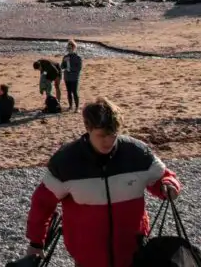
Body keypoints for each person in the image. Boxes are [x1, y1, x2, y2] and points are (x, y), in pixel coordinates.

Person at [23, 98, 182, 267]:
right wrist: (36, 244)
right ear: (88, 128)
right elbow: (42, 203)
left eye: (112, 135)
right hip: (88, 257)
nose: (108, 141)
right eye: (101, 135)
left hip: (133, 254)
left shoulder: (137, 154)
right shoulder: (67, 162)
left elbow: (162, 177)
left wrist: (169, 185)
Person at [61, 40, 84, 111]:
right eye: (67, 48)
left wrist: (70, 68)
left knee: (75, 92)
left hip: (74, 78)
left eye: (70, 48)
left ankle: (77, 108)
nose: (68, 50)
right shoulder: (65, 56)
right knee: (68, 92)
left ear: (74, 48)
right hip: (67, 77)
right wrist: (65, 61)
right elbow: (62, 67)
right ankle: (70, 106)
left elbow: (79, 68)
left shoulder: (78, 57)